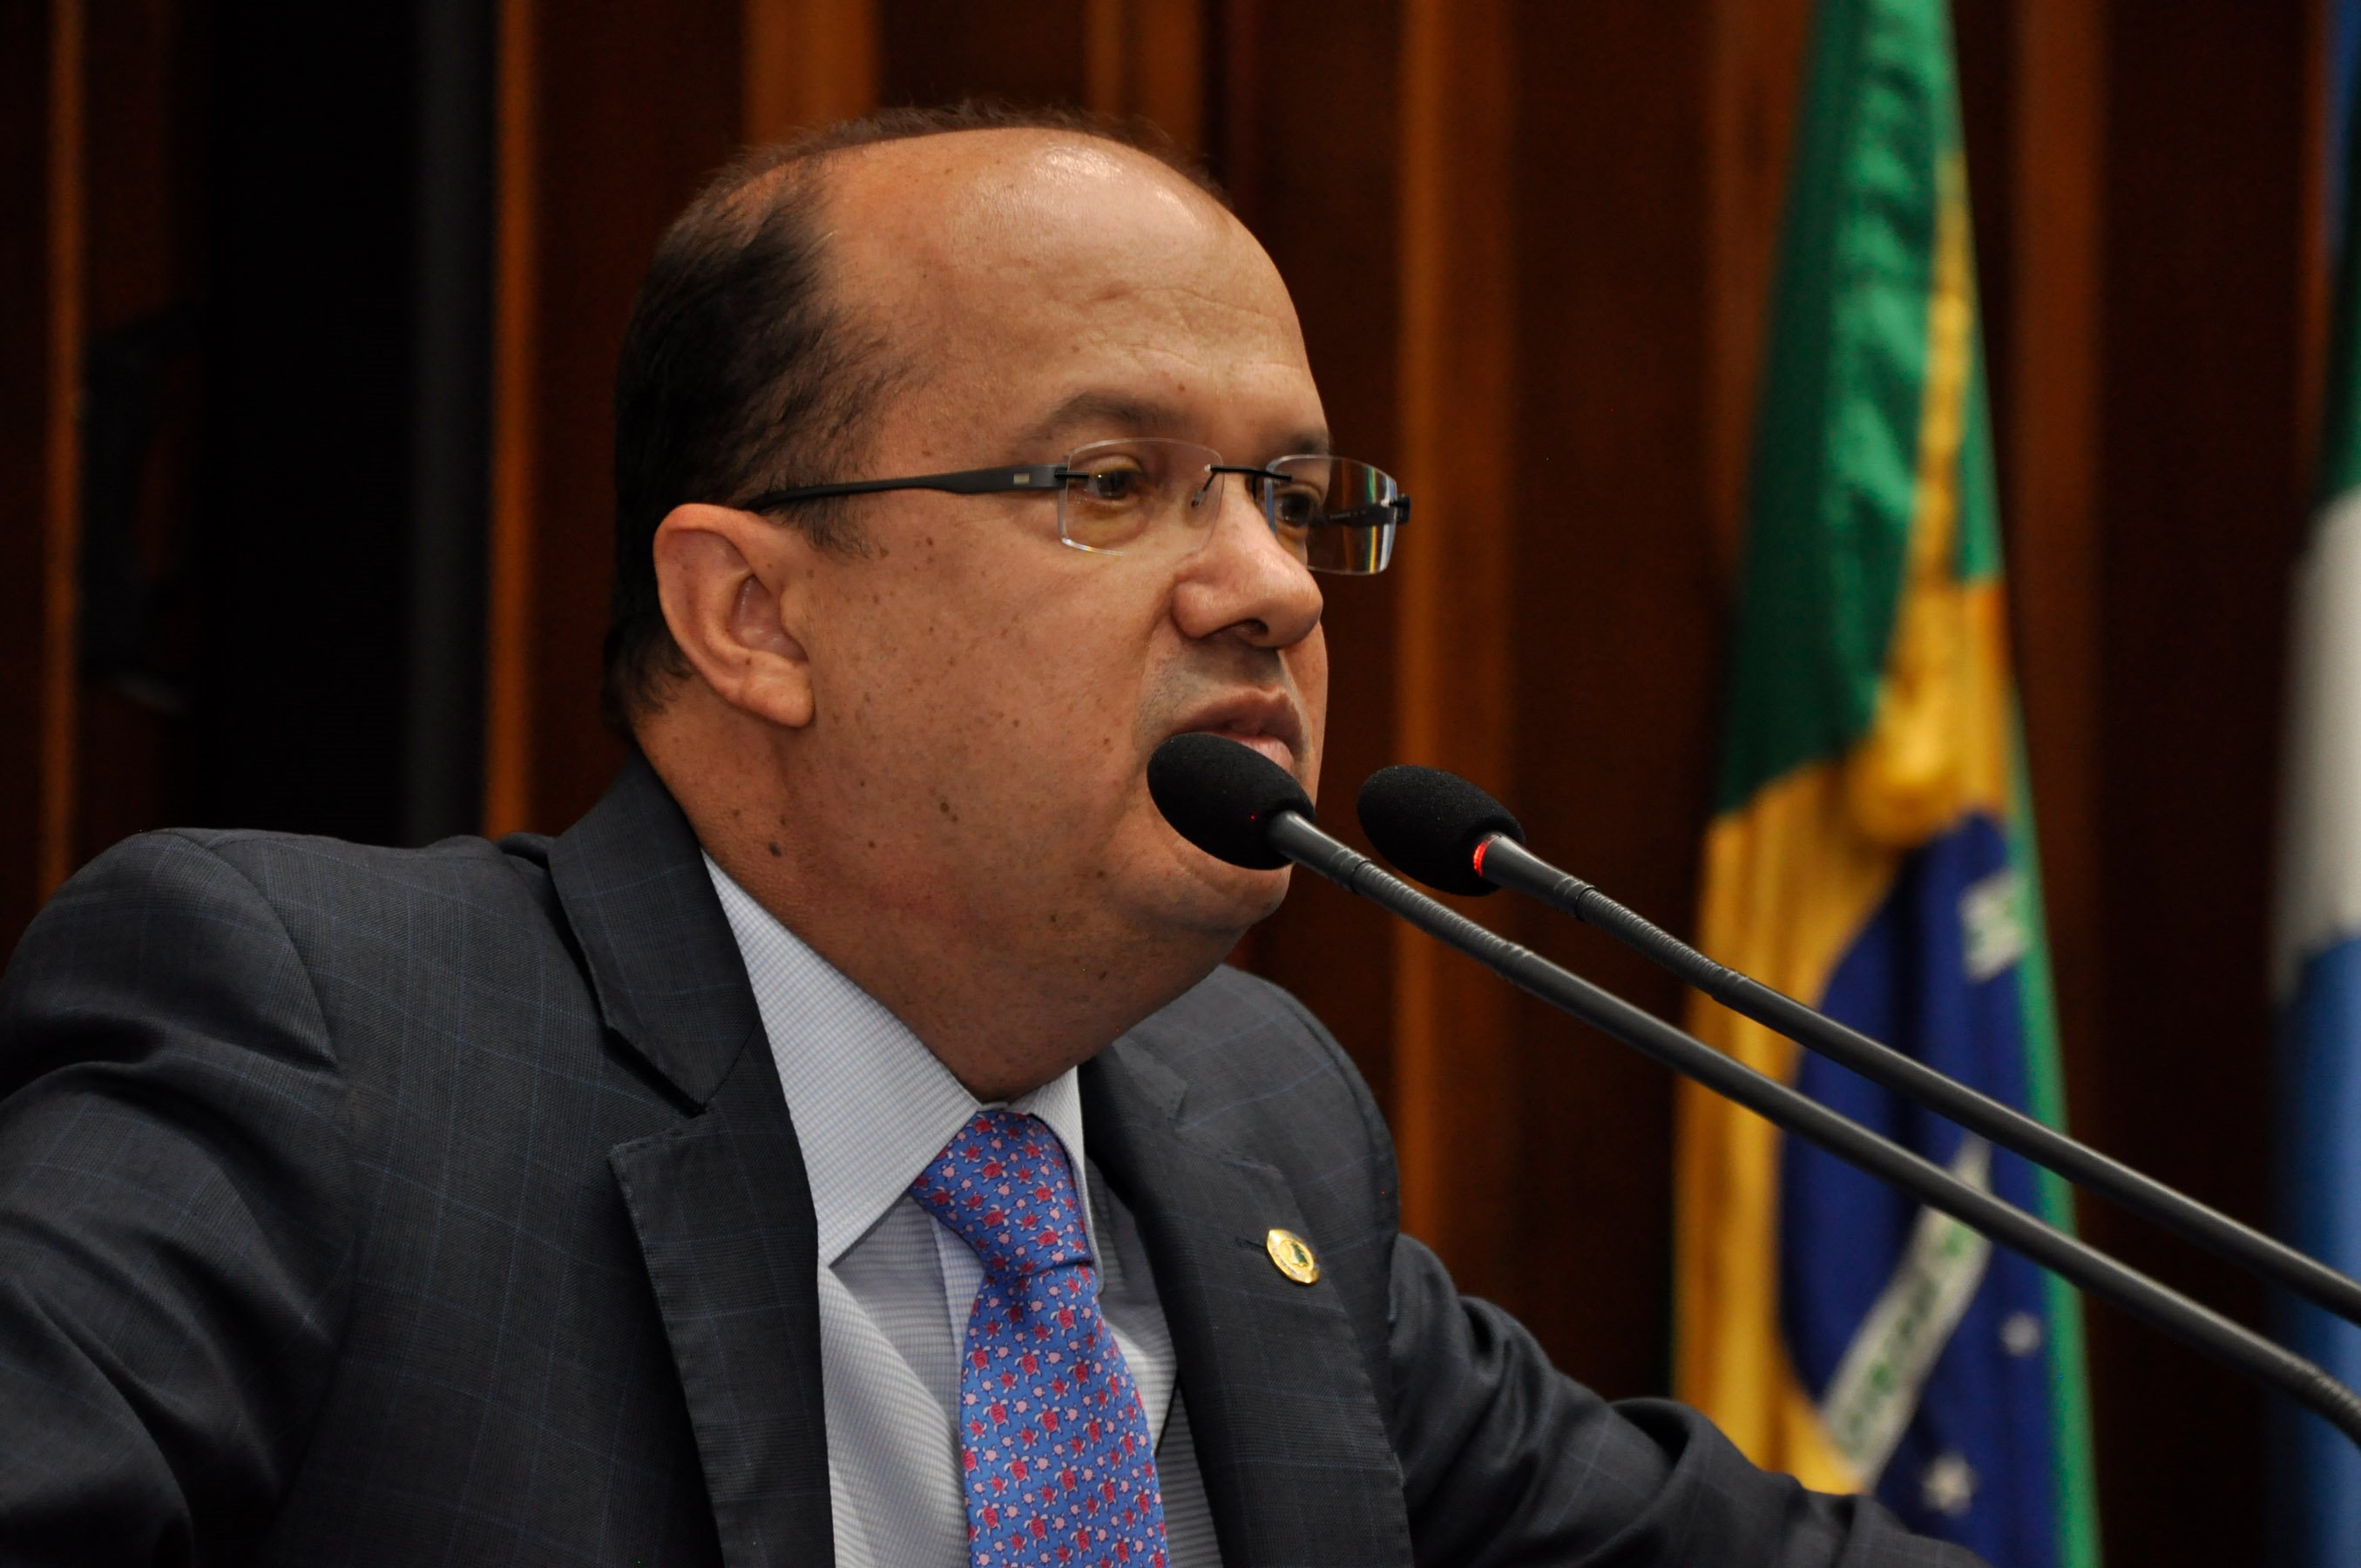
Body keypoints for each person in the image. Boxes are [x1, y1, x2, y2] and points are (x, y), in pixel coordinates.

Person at [0, 105, 1981, 1567]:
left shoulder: (1248, 1123)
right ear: (752, 616)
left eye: (1293, 497)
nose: (1269, 588)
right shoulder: (333, 1045)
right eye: (1111, 483)